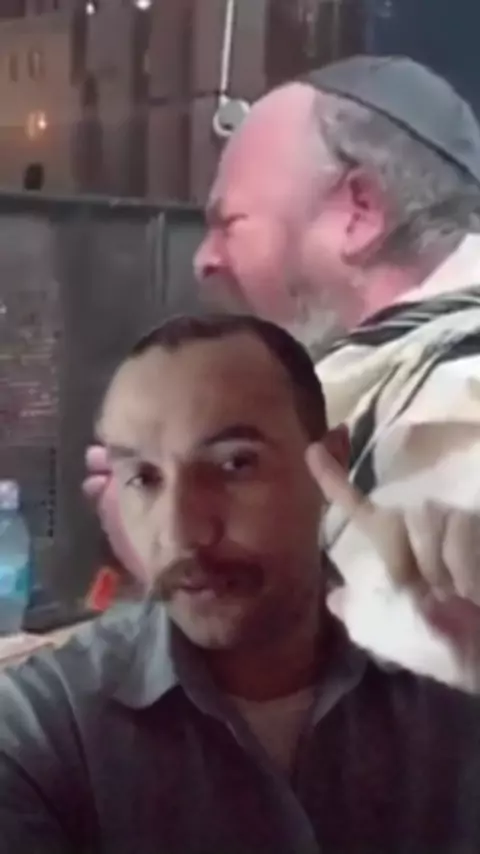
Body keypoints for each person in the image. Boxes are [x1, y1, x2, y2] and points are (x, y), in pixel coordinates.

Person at [4, 313, 480, 854]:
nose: (182, 532)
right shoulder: (45, 732)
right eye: (144, 478)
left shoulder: (444, 719)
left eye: (235, 464)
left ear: (331, 463)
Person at [86, 56, 480, 688]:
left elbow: (377, 726)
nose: (204, 259)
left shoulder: (457, 411)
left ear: (359, 211)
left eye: (230, 224)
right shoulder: (389, 382)